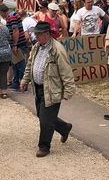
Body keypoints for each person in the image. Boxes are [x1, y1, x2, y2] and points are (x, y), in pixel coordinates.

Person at [20, 21, 75, 158]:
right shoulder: (36, 47)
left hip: (52, 89)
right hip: (39, 88)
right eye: (36, 34)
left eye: (38, 34)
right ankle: (64, 128)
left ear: (46, 34)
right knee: (42, 115)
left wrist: (69, 90)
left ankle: (44, 147)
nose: (36, 36)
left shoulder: (57, 49)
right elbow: (30, 64)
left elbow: (66, 71)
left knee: (45, 121)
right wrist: (25, 80)